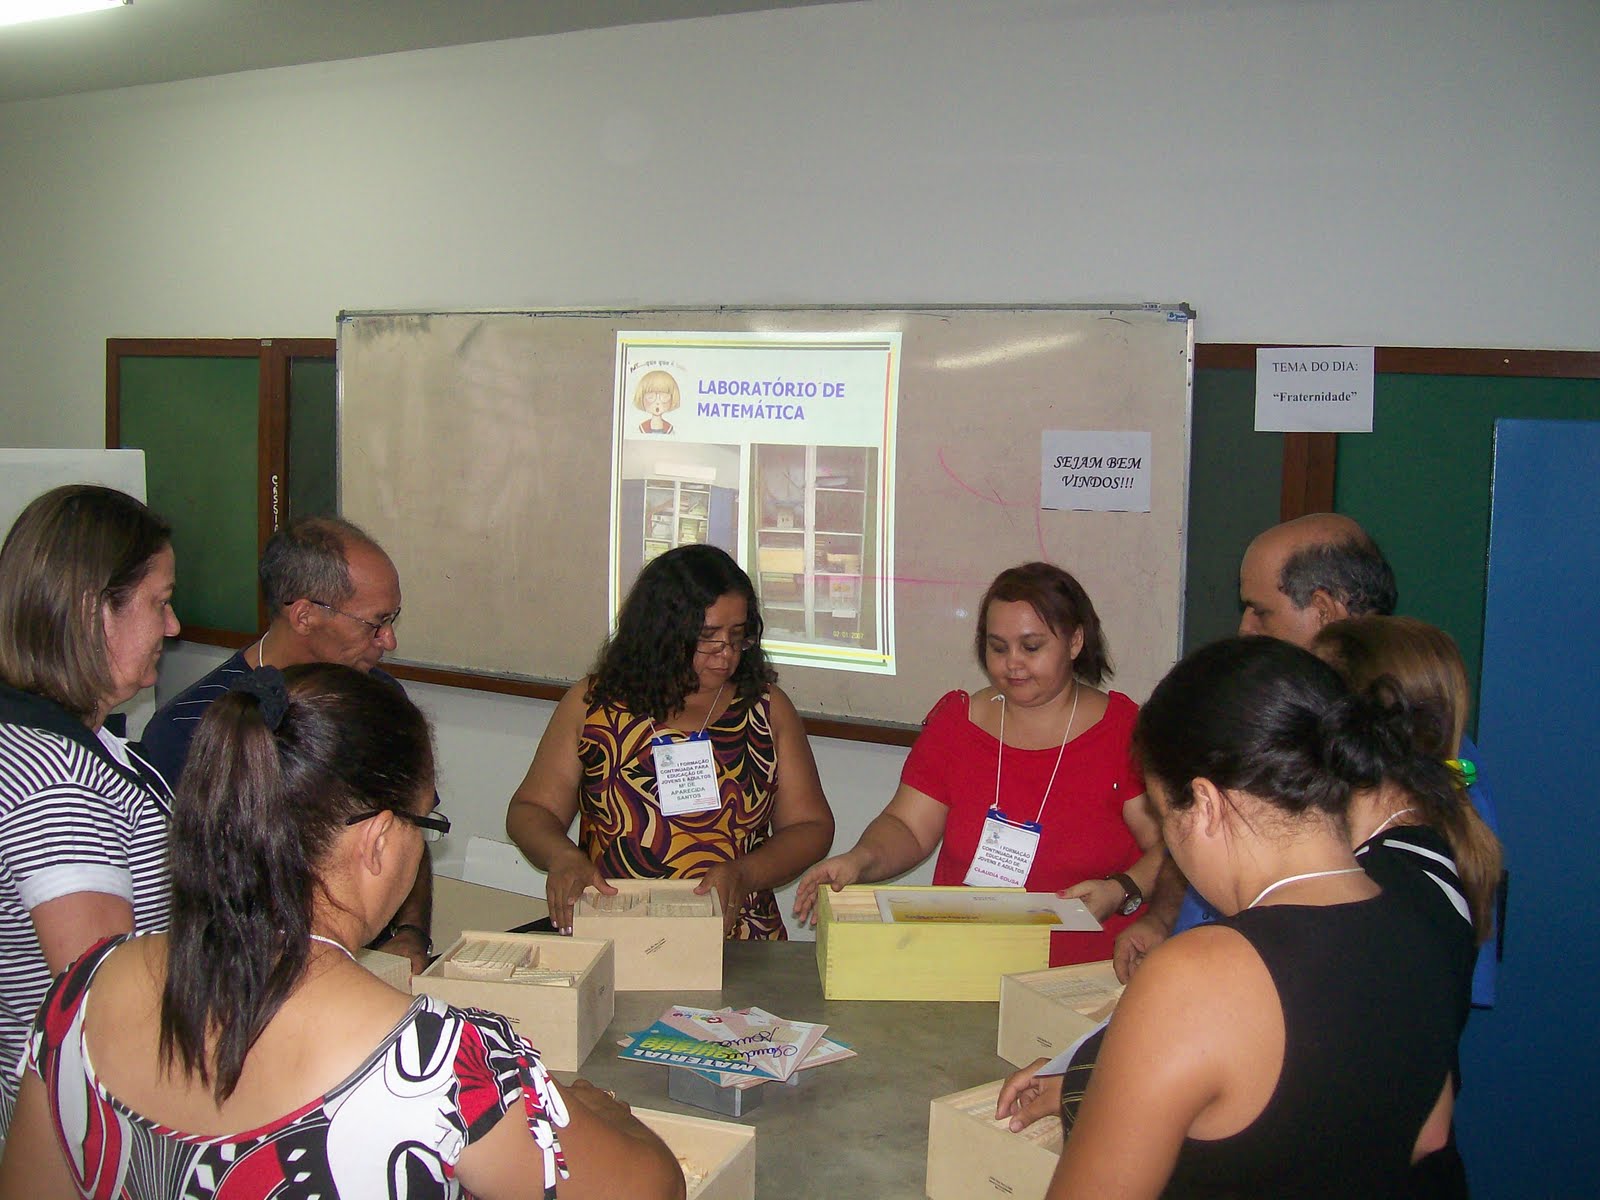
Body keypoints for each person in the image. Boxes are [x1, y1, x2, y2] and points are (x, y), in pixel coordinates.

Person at [0, 664, 684, 1200]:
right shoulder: (440, 1064)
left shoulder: (78, 996)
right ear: (380, 840)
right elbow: (651, 1187)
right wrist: (601, 1112)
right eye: (425, 822)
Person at [998, 637, 1459, 1198]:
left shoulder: (1197, 975)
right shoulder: (1420, 919)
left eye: (1164, 815)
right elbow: (1429, 1134)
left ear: (1206, 804)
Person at [1118, 514, 1501, 1007]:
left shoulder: (1425, 760)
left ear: (1322, 610)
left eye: (1261, 611)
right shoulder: (1269, 720)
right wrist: (1161, 919)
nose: (1245, 629)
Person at [793, 562, 1159, 966]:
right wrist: (859, 860)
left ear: (1074, 642)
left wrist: (1122, 889)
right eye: (998, 648)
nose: (1012, 663)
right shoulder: (958, 723)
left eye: (1031, 647)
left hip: (1086, 973)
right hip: (966, 966)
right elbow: (908, 827)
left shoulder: (1123, 733)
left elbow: (1172, 848)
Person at [139, 516, 434, 970]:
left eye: (392, 619)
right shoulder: (185, 728)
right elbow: (185, 898)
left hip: (364, 966)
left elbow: (409, 826)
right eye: (375, 624)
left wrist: (411, 934)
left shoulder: (380, 699)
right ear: (304, 615)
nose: (389, 641)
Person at [506, 543, 834, 938]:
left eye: (737, 636)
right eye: (708, 637)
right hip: (616, 934)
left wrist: (745, 873)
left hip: (737, 939)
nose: (726, 654)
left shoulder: (766, 709)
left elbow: (811, 826)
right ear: (661, 632)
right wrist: (562, 857)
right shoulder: (593, 706)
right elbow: (530, 810)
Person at [0, 485, 180, 1144]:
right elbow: (104, 1003)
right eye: (159, 602)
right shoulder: (58, 780)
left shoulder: (58, 740)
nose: (173, 627)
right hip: (83, 1139)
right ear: (91, 610)